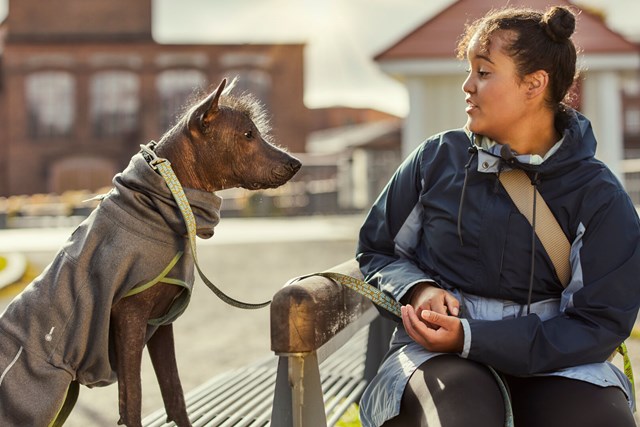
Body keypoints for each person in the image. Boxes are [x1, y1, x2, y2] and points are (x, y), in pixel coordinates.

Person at [357, 5, 640, 427]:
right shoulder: (436, 161)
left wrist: (474, 336)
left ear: (534, 84)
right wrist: (417, 290)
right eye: (468, 71)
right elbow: (377, 250)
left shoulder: (599, 196)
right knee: (460, 414)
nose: (467, 86)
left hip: (559, 361)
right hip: (438, 357)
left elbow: (597, 322)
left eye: (484, 72)